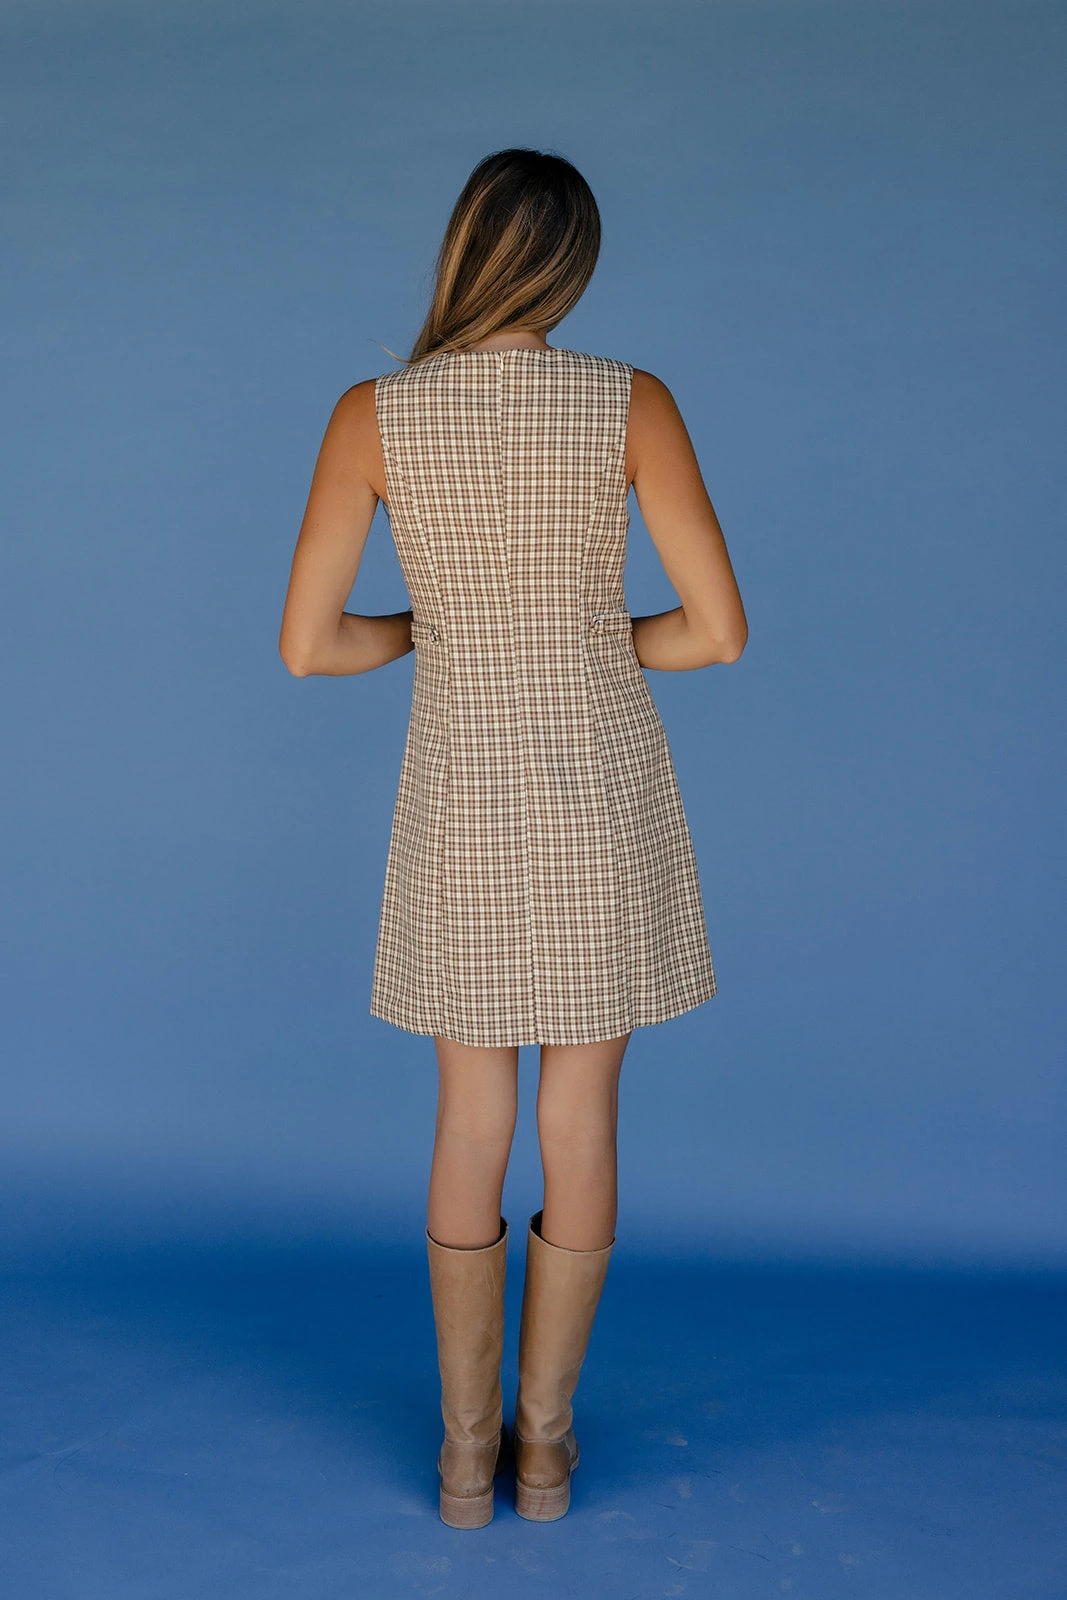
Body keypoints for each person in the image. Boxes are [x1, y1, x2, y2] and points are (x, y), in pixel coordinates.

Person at [278, 148, 747, 1529]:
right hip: (600, 782)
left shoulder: (373, 416)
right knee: (579, 1116)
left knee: (470, 1115)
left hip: (460, 788)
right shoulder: (629, 402)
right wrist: (593, 639)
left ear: (462, 248)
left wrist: (433, 629)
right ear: (572, 265)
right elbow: (715, 632)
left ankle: (464, 1459)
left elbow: (310, 646)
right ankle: (545, 1453)